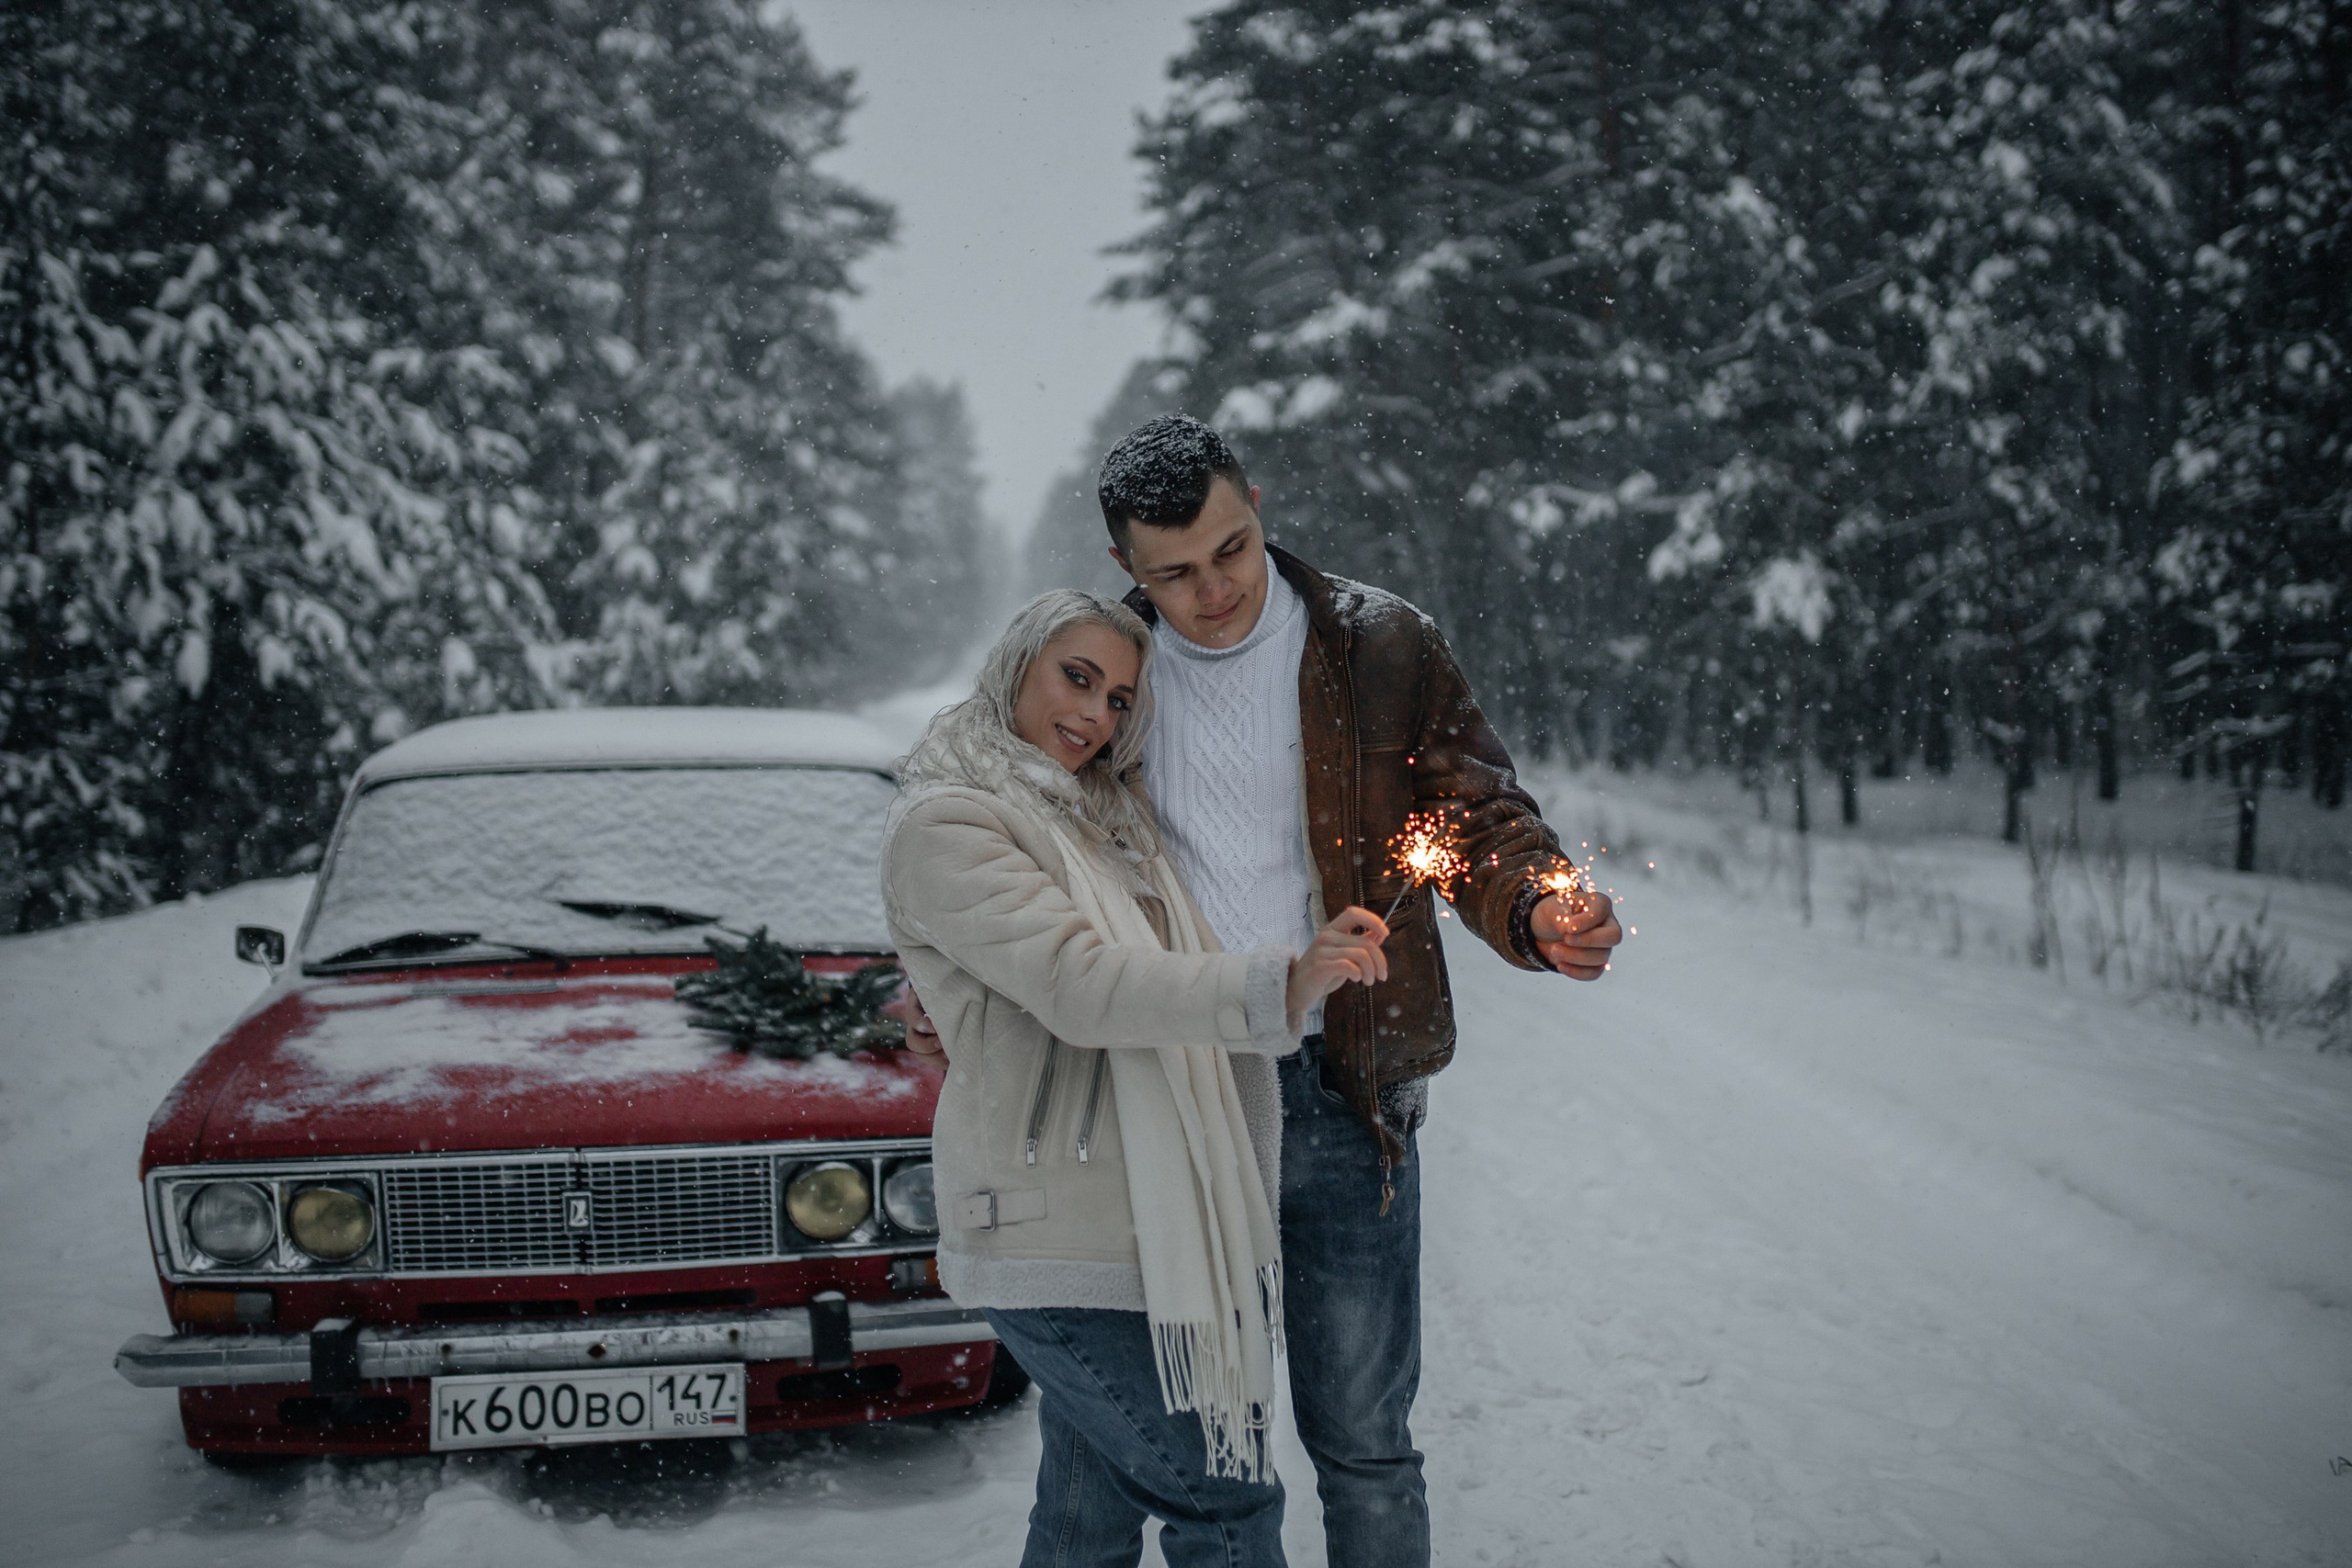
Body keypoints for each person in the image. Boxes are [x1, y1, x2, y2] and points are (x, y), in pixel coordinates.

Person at [1095, 414, 1624, 1567]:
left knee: (1365, 1442)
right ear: (1125, 570)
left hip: (1344, 1089)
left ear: (1256, 510)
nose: (1213, 591)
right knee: (1210, 1453)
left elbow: (1470, 813)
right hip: (1175, 1098)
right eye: (1173, 573)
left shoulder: (1377, 643)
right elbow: (1019, 845)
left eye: (1229, 550)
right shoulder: (1104, 671)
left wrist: (1537, 904)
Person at [881, 589, 1394, 1568]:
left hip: (1134, 1229)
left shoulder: (1099, 819)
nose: (1094, 716)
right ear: (1015, 663)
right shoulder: (951, 823)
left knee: (1087, 1519)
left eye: (1120, 699)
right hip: (1055, 1233)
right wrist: (1277, 983)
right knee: (1225, 1502)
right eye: (1076, 678)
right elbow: (1080, 983)